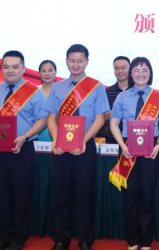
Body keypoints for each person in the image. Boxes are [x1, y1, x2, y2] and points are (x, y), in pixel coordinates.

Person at [46, 44, 110, 250]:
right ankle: (61, 239)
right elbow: (51, 118)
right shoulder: (58, 87)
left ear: (87, 62)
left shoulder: (96, 86)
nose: (76, 64)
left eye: (80, 61)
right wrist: (57, 140)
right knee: (61, 195)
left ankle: (85, 239)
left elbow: (100, 119)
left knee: (85, 195)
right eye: (72, 60)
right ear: (66, 62)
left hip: (85, 146)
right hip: (60, 148)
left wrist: (83, 140)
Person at [0, 51, 48, 250]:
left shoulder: (33, 91)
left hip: (23, 148)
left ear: (23, 68)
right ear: (1, 68)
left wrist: (25, 136)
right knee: (0, 194)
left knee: (21, 194)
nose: (10, 71)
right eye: (6, 67)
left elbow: (43, 120)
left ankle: (18, 237)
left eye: (15, 67)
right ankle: (3, 236)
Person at [109, 57, 159, 250]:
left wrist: (158, 145)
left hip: (152, 149)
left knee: (147, 195)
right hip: (127, 149)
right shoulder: (122, 97)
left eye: (144, 70)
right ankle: (132, 240)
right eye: (136, 70)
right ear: (131, 73)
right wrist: (122, 145)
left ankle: (145, 241)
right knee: (131, 195)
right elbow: (114, 123)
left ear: (150, 73)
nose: (140, 74)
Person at [101, 56, 131, 143]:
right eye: (117, 68)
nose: (120, 71)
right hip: (112, 139)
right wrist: (116, 112)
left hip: (134, 137)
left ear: (130, 69)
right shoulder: (106, 92)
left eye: (123, 68)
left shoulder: (137, 91)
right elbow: (101, 117)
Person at [37, 60, 57, 142]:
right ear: (39, 73)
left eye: (50, 70)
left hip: (57, 133)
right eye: (43, 71)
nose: (47, 74)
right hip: (37, 133)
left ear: (55, 72)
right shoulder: (34, 91)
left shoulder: (61, 91)